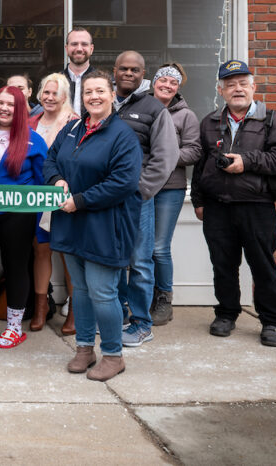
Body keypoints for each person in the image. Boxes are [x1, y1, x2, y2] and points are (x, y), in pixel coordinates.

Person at [44, 71, 142, 381]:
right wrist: (57, 180)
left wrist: (80, 200)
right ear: (81, 97)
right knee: (82, 292)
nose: (94, 97)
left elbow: (123, 183)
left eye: (100, 90)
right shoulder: (72, 128)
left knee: (102, 293)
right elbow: (51, 160)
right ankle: (84, 348)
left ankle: (113, 355)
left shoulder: (123, 136)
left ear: (112, 95)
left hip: (105, 226)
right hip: (72, 225)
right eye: (88, 92)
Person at [191, 60, 276, 347]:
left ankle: (273, 321)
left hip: (257, 206)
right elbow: (200, 167)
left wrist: (246, 162)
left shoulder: (272, 120)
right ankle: (226, 313)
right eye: (230, 85)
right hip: (217, 207)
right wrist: (199, 201)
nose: (236, 89)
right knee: (223, 265)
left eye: (242, 83)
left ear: (253, 87)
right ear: (221, 90)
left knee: (262, 266)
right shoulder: (210, 122)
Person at [112, 51, 177, 348]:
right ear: (114, 71)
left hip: (138, 200)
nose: (128, 73)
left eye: (135, 69)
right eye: (123, 68)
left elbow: (166, 157)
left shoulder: (153, 108)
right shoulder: (103, 103)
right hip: (107, 200)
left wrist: (141, 190)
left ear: (143, 74)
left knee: (139, 261)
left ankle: (141, 323)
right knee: (114, 260)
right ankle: (121, 317)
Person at [0, 86, 48, 348]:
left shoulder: (34, 140)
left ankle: (14, 327)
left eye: (11, 105)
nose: (4, 109)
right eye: (0, 103)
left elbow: (42, 185)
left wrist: (41, 225)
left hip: (19, 215)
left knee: (16, 268)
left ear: (20, 109)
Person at [148, 63, 201, 326]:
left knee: (159, 248)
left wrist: (162, 158)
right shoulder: (141, 107)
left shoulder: (185, 116)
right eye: (163, 80)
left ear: (178, 88)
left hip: (170, 189)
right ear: (154, 82)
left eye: (173, 83)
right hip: (141, 187)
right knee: (140, 248)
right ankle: (143, 296)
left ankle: (163, 300)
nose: (167, 85)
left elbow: (193, 151)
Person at [28, 73, 79, 334]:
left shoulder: (75, 123)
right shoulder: (31, 121)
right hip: (36, 196)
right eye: (45, 92)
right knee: (41, 249)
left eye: (55, 93)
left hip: (63, 195)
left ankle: (74, 311)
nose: (49, 97)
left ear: (64, 96)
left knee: (67, 252)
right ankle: (41, 308)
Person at [63, 27, 97, 117]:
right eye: (74, 44)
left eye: (84, 44)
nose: (79, 48)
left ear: (91, 49)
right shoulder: (56, 81)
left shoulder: (102, 82)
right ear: (66, 49)